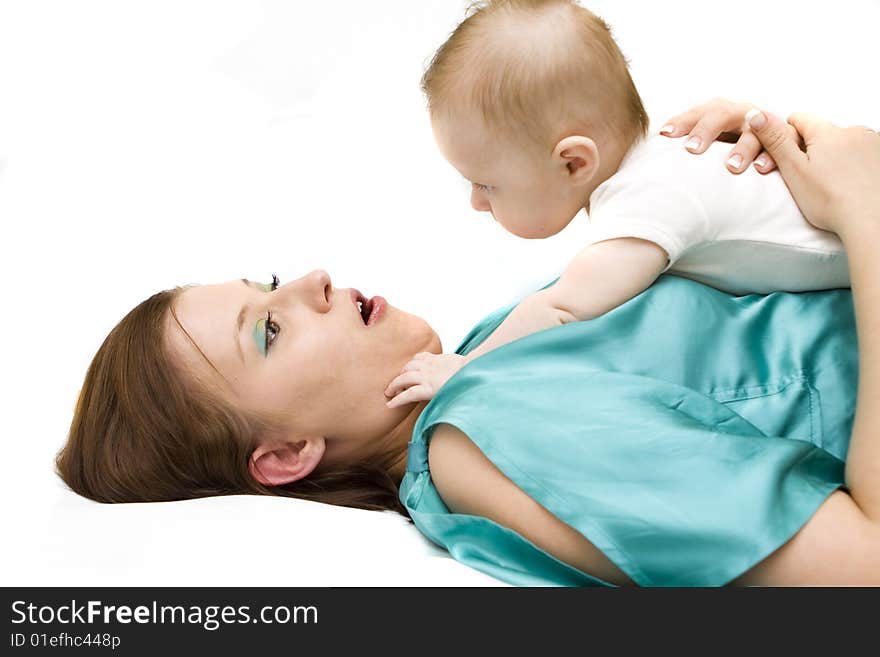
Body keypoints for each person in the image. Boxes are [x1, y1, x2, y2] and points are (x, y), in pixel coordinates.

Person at [55, 101, 880, 586]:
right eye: (269, 328)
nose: (309, 279)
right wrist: (868, 214)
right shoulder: (481, 437)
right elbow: (862, 569)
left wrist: (737, 183)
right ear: (285, 455)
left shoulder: (485, 359)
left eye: (269, 281)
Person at [385, 0, 848, 409]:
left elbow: (560, 310)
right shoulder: (665, 158)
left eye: (486, 184)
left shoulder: (646, 204)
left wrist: (464, 368)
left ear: (573, 162)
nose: (475, 203)